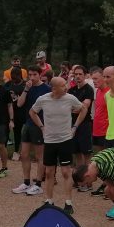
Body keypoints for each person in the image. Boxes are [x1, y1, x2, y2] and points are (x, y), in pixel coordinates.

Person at [30, 77, 83, 212]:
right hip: (49, 141)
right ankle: (49, 201)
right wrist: (42, 127)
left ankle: (68, 203)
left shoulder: (70, 98)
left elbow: (83, 109)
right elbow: (33, 112)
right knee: (48, 173)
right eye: (63, 85)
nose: (66, 87)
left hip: (65, 140)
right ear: (54, 88)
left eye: (66, 84)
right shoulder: (43, 99)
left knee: (66, 172)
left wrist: (75, 127)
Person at [11, 66, 50, 197]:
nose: (32, 77)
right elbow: (19, 104)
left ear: (39, 75)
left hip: (40, 125)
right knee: (24, 154)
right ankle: (26, 182)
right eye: (30, 75)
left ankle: (38, 184)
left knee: (39, 156)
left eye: (34, 75)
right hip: (27, 124)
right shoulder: (27, 88)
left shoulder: (46, 89)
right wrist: (26, 89)